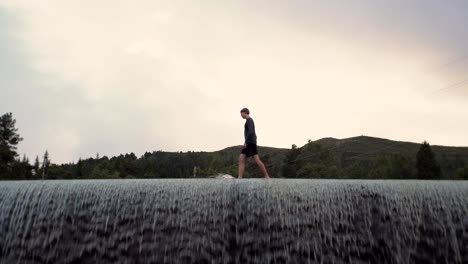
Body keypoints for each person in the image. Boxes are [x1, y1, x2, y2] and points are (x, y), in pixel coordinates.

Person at [238, 108, 270, 179]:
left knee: (255, 160)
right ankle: (240, 177)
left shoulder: (249, 120)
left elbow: (251, 131)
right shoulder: (248, 120)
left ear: (245, 112)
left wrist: (246, 142)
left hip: (250, 143)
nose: (241, 115)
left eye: (241, 113)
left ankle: (266, 176)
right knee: (241, 158)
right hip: (251, 142)